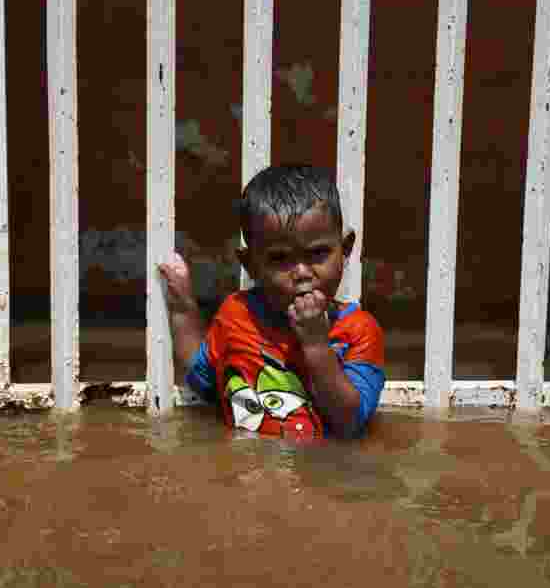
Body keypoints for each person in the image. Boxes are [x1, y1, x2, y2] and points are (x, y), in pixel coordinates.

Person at [159, 165, 385, 440]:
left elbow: (350, 424)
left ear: (345, 249)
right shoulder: (237, 315)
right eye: (279, 258)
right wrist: (183, 307)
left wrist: (316, 345)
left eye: (318, 253)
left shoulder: (358, 331)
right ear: (250, 265)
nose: (302, 273)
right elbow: (200, 376)